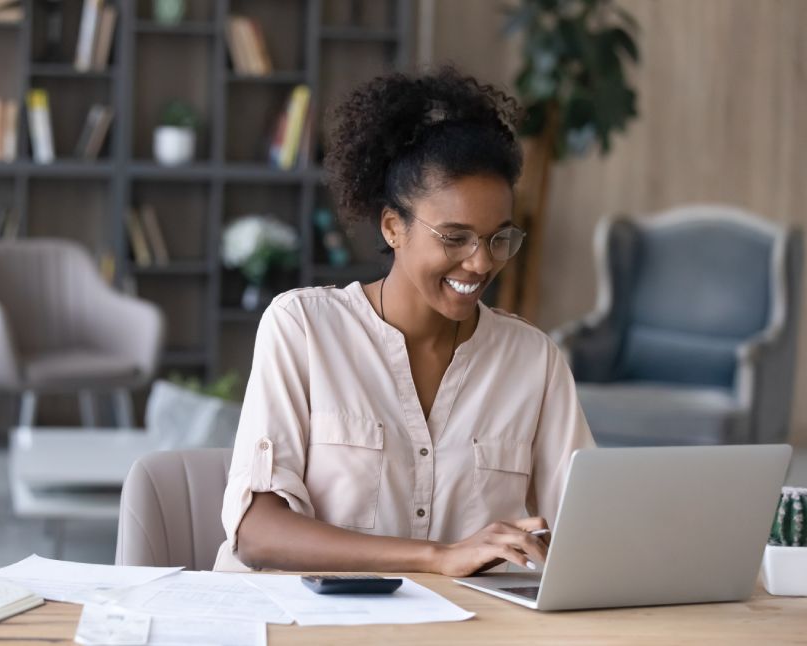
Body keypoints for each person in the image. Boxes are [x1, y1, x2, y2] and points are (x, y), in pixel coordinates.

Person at [213, 66, 594, 576]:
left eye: (498, 238)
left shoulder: (532, 360)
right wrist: (440, 557)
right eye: (455, 238)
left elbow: (585, 526)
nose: (481, 263)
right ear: (394, 226)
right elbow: (256, 533)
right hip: (306, 623)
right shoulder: (302, 328)